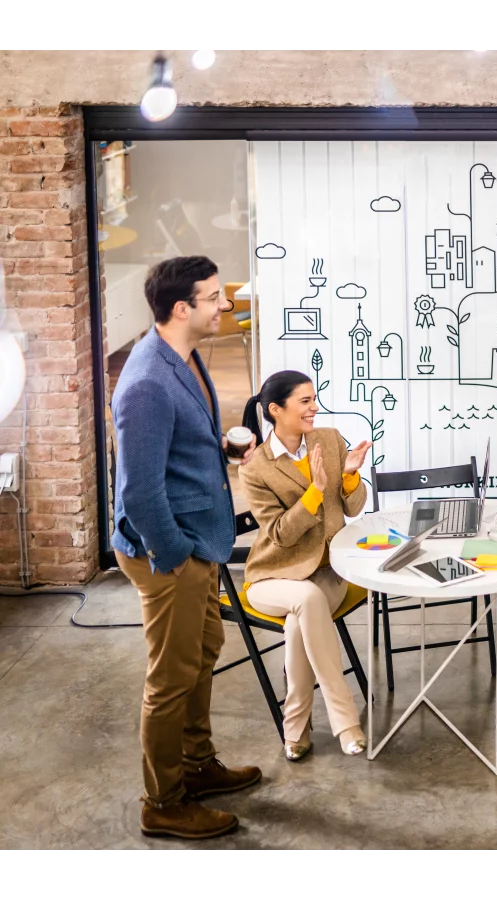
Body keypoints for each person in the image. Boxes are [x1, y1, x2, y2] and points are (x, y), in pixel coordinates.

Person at [112, 255, 262, 841]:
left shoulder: (187, 355)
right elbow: (138, 491)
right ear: (182, 308)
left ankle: (197, 765)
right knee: (171, 678)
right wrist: (174, 555)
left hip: (197, 540)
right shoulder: (148, 383)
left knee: (204, 650)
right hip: (169, 551)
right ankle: (164, 801)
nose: (225, 304)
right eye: (214, 296)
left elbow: (176, 445)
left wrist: (220, 447)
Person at [238, 371, 373, 760]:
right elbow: (280, 534)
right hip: (271, 578)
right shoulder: (255, 467)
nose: (314, 407)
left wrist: (349, 475)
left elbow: (354, 508)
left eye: (314, 399)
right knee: (305, 601)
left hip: (327, 574)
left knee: (302, 616)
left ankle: (294, 728)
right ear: (276, 410)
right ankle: (345, 721)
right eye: (305, 401)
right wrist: (315, 490)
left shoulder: (328, 440)